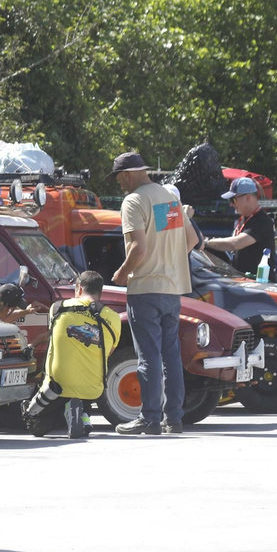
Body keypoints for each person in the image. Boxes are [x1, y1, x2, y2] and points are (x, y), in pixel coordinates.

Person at [109, 151, 192, 435]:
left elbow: (139, 249)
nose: (119, 184)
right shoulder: (170, 198)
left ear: (128, 174)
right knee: (171, 355)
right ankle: (175, 419)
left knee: (148, 356)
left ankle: (150, 418)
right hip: (172, 289)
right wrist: (168, 261)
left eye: (119, 178)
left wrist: (122, 273)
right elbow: (191, 240)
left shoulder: (134, 200)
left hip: (145, 288)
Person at [24, 271, 122, 438]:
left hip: (55, 388)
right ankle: (83, 416)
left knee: (36, 427)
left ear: (79, 288)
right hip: (93, 388)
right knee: (82, 384)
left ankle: (72, 412)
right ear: (100, 292)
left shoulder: (57, 308)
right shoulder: (113, 317)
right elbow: (108, 351)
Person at [203, 177, 274, 276]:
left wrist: (206, 243)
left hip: (260, 285)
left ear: (248, 197)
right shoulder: (243, 219)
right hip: (244, 282)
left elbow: (235, 243)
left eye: (233, 199)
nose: (231, 204)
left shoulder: (262, 221)